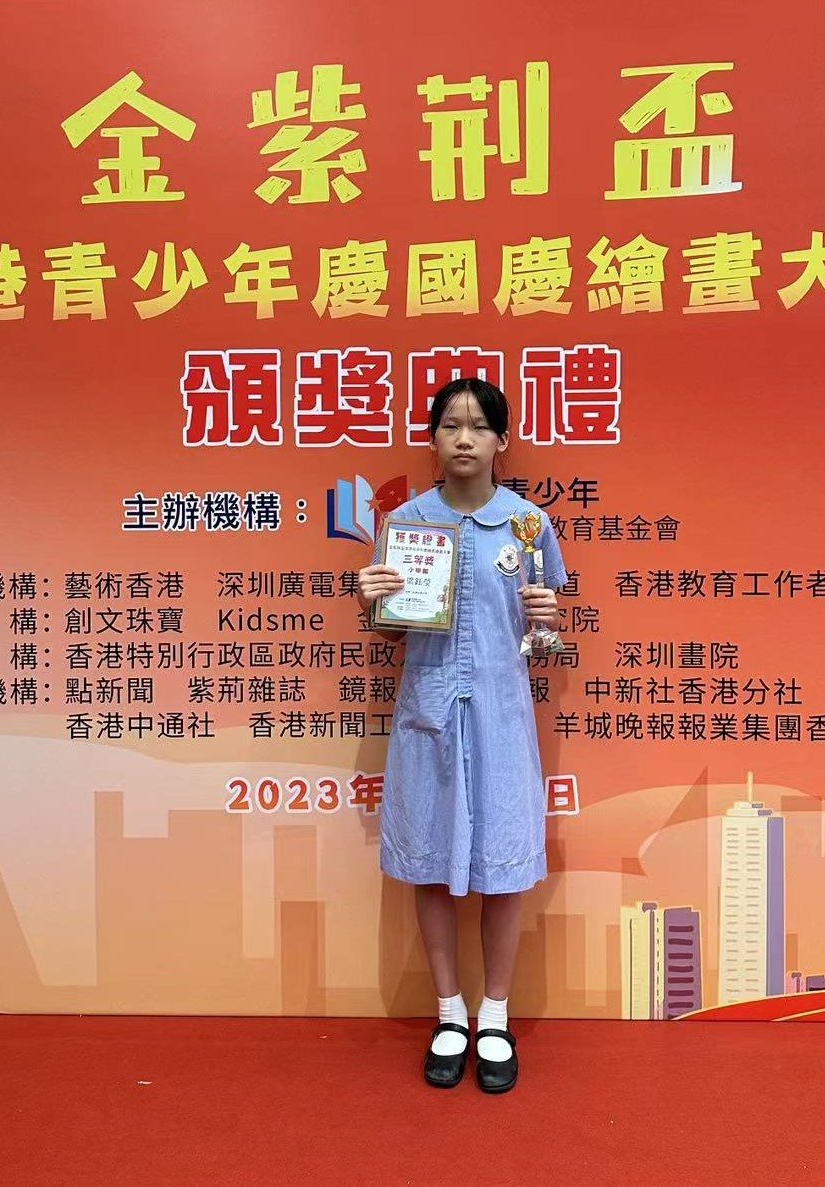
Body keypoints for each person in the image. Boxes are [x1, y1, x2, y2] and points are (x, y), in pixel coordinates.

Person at [356, 377, 567, 1094]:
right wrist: (373, 605)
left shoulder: (529, 525)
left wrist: (548, 622)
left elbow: (544, 644)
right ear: (433, 440)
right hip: (430, 713)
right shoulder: (407, 522)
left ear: (503, 440)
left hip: (503, 718)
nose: (465, 438)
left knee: (503, 865)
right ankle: (449, 1013)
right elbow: (390, 631)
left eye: (479, 426)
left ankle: (495, 1015)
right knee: (430, 862)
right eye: (451, 425)